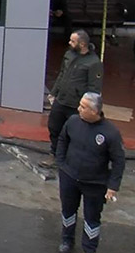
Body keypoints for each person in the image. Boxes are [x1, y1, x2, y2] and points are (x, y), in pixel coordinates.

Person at [56, 92, 124, 253]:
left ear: (95, 111)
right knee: (68, 211)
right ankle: (67, 240)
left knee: (92, 218)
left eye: (83, 107)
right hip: (69, 177)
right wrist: (62, 164)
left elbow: (118, 161)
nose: (79, 109)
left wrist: (113, 186)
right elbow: (62, 140)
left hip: (95, 184)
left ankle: (90, 250)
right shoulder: (72, 122)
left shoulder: (110, 133)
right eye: (80, 105)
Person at [44, 30, 103, 167]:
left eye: (73, 41)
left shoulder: (94, 63)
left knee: (74, 132)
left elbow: (94, 88)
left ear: (82, 44)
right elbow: (62, 74)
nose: (69, 43)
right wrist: (53, 93)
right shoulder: (69, 55)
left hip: (76, 105)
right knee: (54, 127)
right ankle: (54, 154)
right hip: (61, 99)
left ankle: (70, 158)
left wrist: (87, 107)